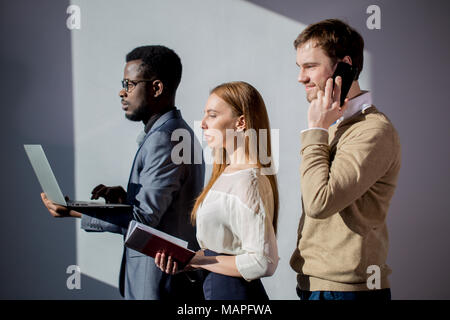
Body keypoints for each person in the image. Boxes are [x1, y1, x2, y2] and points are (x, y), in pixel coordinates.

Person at [41, 45, 205, 300]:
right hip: (164, 282)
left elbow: (143, 221)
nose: (122, 91)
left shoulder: (165, 138)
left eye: (129, 84)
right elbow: (163, 211)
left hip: (158, 283)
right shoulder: (173, 132)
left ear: (157, 88)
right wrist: (125, 200)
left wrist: (72, 210)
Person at [289, 19, 401, 300]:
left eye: (310, 66)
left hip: (346, 291)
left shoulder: (374, 130)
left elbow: (319, 202)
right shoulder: (333, 124)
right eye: (299, 67)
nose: (300, 78)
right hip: (315, 284)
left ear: (344, 66)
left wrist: (315, 130)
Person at [155, 81, 279, 300]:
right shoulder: (225, 173)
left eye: (212, 115)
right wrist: (187, 260)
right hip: (214, 288)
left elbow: (263, 262)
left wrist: (197, 260)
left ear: (240, 122)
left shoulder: (248, 180)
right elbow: (220, 250)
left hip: (234, 294)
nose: (202, 123)